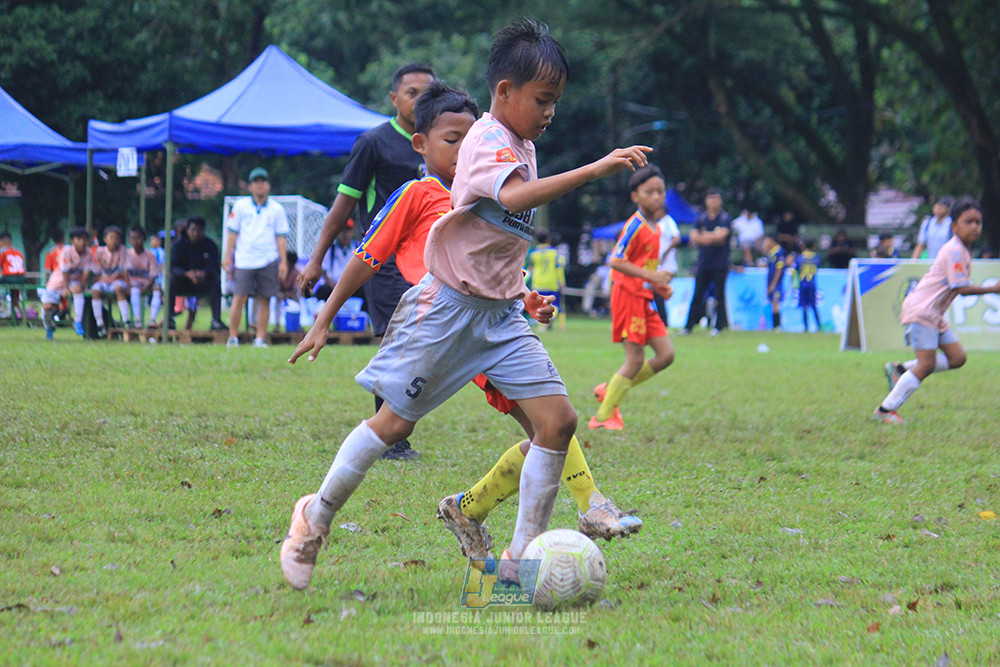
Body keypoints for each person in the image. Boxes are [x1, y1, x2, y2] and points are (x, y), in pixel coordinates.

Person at [279, 18, 652, 591]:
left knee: (557, 422)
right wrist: (595, 168)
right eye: (543, 99)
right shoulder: (485, 139)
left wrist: (523, 292)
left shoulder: (523, 145)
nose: (551, 112)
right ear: (505, 91)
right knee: (393, 423)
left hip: (500, 317)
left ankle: (520, 560)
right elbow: (514, 200)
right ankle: (315, 515)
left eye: (555, 100)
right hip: (446, 313)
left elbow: (496, 237)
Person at [298, 63, 436, 460]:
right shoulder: (374, 142)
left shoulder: (442, 142)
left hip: (431, 261)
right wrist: (316, 260)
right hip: (385, 260)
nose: (419, 101)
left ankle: (394, 427)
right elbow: (343, 204)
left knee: (420, 342)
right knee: (394, 338)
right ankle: (390, 437)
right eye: (411, 93)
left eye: (427, 93)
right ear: (394, 99)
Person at [874, 200, 1000, 424]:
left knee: (957, 357)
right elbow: (961, 289)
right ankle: (885, 410)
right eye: (968, 222)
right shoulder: (955, 251)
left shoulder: (962, 249)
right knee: (926, 364)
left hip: (933, 313)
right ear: (954, 226)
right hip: (923, 311)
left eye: (978, 222)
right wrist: (993, 289)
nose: (974, 227)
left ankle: (900, 369)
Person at [589, 164, 674, 430]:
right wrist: (652, 276)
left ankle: (611, 389)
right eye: (649, 192)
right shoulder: (635, 225)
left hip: (644, 297)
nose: (656, 197)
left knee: (666, 355)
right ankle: (602, 417)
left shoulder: (656, 228)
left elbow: (643, 267)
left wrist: (658, 285)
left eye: (660, 191)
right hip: (627, 296)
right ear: (635, 196)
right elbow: (616, 260)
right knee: (635, 359)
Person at [223, 167, 289, 348]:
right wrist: (227, 256)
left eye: (263, 181)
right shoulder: (240, 206)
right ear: (250, 186)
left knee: (265, 298)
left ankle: (259, 338)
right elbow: (232, 233)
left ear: (268, 185)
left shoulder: (277, 209)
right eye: (256, 182)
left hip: (268, 259)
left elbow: (281, 237)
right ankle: (233, 337)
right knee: (239, 297)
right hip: (244, 259)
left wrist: (283, 262)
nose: (260, 185)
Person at [681, 187, 731, 335]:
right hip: (703, 263)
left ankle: (719, 326)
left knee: (719, 295)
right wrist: (711, 237)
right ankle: (688, 326)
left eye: (716, 198)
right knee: (697, 294)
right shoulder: (701, 218)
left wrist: (704, 236)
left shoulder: (724, 218)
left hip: (720, 263)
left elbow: (721, 237)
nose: (713, 201)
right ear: (706, 201)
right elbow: (693, 237)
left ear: (720, 201)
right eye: (711, 198)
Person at [170, 216, 226, 331]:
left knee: (215, 280)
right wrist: (186, 274)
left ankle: (216, 320)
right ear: (187, 230)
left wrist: (203, 273)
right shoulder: (178, 245)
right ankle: (169, 319)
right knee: (171, 281)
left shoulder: (210, 245)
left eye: (199, 230)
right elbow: (173, 266)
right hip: (183, 281)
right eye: (193, 230)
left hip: (203, 282)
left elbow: (215, 266)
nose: (196, 233)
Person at [40, 227, 90, 339]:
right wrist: (65, 287)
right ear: (72, 241)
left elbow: (86, 272)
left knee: (78, 291)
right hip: (58, 280)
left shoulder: (88, 253)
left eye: (85, 239)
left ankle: (77, 321)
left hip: (74, 280)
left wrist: (82, 286)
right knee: (47, 306)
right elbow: (64, 270)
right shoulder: (66, 251)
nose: (82, 242)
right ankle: (49, 326)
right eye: (79, 239)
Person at [88, 225, 131, 336]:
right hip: (103, 281)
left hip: (117, 280)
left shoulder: (122, 250)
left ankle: (126, 320)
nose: (114, 241)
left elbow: (125, 270)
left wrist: (129, 286)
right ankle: (100, 323)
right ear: (105, 239)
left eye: (117, 238)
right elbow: (97, 272)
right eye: (111, 237)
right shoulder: (100, 251)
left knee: (118, 288)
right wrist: (94, 284)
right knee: (95, 290)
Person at [525, 229, 566, 330]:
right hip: (552, 282)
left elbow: (530, 268)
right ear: (548, 239)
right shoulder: (554, 252)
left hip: (538, 282)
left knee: (540, 305)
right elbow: (559, 267)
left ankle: (542, 324)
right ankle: (559, 324)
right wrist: (562, 281)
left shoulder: (533, 253)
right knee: (555, 304)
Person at [125, 226, 162, 328]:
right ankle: (137, 319)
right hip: (132, 284)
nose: (136, 241)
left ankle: (152, 319)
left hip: (146, 283)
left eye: (138, 238)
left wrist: (147, 285)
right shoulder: (127, 254)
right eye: (133, 238)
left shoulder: (151, 256)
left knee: (157, 289)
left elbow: (153, 274)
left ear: (144, 239)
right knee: (134, 290)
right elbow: (125, 273)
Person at [654, 205, 681, 325]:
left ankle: (663, 321)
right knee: (657, 292)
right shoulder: (660, 223)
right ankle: (661, 321)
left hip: (667, 265)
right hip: (660, 265)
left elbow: (676, 239)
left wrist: (664, 253)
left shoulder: (668, 222)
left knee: (659, 290)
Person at [795, 237, 821, 332]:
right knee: (813, 305)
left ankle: (806, 327)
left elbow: (796, 269)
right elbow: (818, 266)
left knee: (804, 306)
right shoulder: (816, 257)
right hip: (812, 284)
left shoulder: (800, 257)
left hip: (803, 284)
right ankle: (819, 325)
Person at [0, 231, 26, 323]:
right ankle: (15, 308)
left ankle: (0, 308)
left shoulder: (2, 251)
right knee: (15, 290)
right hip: (21, 278)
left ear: (2, 241)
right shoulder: (18, 251)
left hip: (9, 277)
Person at [763, 232, 785, 330]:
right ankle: (774, 326)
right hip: (770, 281)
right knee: (772, 302)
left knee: (776, 303)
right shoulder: (771, 252)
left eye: (767, 240)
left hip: (776, 283)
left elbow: (779, 269)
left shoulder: (779, 252)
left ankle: (777, 326)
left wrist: (773, 284)